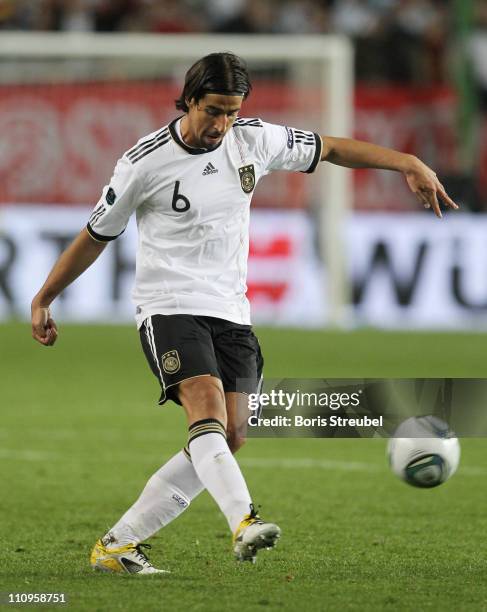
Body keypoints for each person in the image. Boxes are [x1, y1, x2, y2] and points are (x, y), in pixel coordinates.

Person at [31, 52, 458, 575]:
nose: (222, 124)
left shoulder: (252, 139)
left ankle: (119, 545)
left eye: (232, 112)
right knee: (205, 407)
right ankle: (244, 521)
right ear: (189, 99)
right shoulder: (143, 162)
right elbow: (96, 235)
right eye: (213, 110)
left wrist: (407, 163)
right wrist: (43, 297)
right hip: (168, 306)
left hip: (230, 309)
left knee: (231, 435)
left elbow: (332, 149)